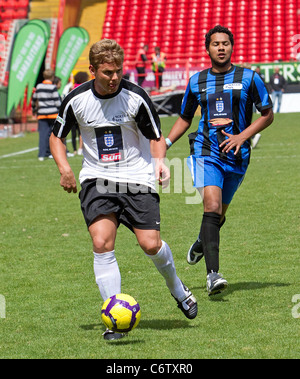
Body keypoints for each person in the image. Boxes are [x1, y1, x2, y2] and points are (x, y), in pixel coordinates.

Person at [49, 39, 197, 340]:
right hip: (97, 179)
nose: (114, 77)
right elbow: (57, 137)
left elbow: (156, 136)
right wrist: (65, 169)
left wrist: (159, 163)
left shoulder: (136, 97)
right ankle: (113, 318)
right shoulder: (75, 99)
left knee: (150, 245)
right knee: (102, 242)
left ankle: (178, 289)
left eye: (118, 70)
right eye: (107, 72)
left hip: (136, 177)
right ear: (92, 70)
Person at [165, 25, 273, 296]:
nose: (221, 47)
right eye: (216, 44)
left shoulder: (249, 77)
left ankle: (202, 241)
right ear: (208, 48)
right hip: (205, 151)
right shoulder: (196, 81)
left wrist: (241, 137)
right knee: (211, 206)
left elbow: (267, 114)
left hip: (237, 156)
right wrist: (166, 144)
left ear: (232, 47)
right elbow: (185, 117)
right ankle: (213, 275)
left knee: (218, 216)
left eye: (226, 43)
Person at [32, 69, 61, 161]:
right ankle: (50, 153)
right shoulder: (53, 87)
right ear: (52, 77)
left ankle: (41, 154)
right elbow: (57, 102)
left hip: (42, 114)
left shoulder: (39, 86)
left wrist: (34, 109)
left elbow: (34, 99)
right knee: (52, 134)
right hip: (53, 113)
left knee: (43, 134)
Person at [71, 71, 89, 155]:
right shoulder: (85, 88)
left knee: (73, 133)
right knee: (81, 132)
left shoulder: (73, 88)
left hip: (73, 112)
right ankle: (80, 148)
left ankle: (74, 149)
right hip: (82, 112)